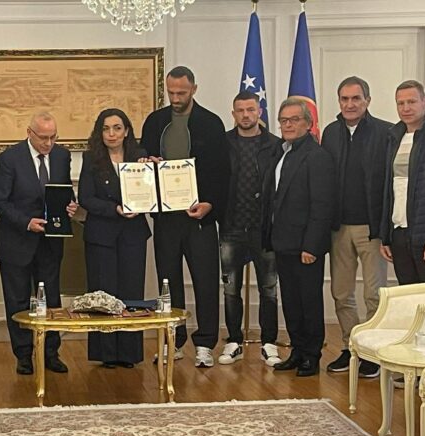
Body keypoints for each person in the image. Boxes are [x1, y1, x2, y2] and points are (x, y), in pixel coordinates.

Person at [139, 65, 230, 367]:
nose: (176, 98)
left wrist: (210, 204)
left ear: (194, 89)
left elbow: (222, 172)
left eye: (182, 92)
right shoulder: (155, 122)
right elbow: (142, 161)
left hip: (200, 217)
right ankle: (172, 340)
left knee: (206, 281)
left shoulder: (211, 124)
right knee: (168, 281)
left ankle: (204, 344)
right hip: (166, 217)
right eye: (171, 92)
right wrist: (147, 162)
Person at [0, 111, 76, 375]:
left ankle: (51, 352)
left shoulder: (61, 156)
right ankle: (24, 355)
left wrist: (70, 205)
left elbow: (63, 191)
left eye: (53, 137)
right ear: (29, 133)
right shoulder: (9, 159)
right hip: (16, 240)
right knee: (17, 300)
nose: (48, 143)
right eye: (43, 138)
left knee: (51, 299)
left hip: (50, 242)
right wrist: (27, 222)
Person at [320, 77, 391, 378]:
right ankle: (351, 348)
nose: (349, 104)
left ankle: (372, 353)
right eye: (344, 99)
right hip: (338, 228)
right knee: (341, 293)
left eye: (356, 98)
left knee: (374, 294)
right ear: (339, 101)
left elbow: (390, 184)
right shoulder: (330, 133)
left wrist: (385, 228)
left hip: (371, 228)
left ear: (367, 101)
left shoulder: (386, 132)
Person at [262, 98, 335, 377]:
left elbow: (322, 205)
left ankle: (311, 356)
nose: (288, 125)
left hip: (305, 245)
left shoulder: (317, 156)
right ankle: (297, 350)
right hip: (282, 242)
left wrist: (312, 246)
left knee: (309, 302)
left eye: (294, 120)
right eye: (284, 120)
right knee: (291, 302)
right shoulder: (282, 153)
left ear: (308, 123)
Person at [78, 108, 151, 368]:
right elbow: (85, 198)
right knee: (104, 294)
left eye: (117, 128)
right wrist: (115, 209)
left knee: (131, 293)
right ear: (100, 133)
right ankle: (107, 353)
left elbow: (151, 192)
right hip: (102, 235)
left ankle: (128, 353)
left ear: (126, 131)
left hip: (133, 234)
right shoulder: (91, 159)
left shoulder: (140, 157)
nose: (112, 134)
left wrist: (152, 173)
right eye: (106, 128)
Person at [217, 91, 281, 367]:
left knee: (269, 288)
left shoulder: (275, 145)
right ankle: (234, 341)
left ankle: (269, 342)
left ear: (259, 112)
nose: (245, 115)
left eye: (250, 109)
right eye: (240, 110)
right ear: (233, 114)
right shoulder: (222, 144)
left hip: (264, 229)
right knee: (231, 289)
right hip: (231, 227)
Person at [379, 80, 425, 284]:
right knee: (408, 298)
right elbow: (390, 190)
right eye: (400, 103)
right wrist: (386, 236)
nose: (406, 108)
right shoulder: (394, 139)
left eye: (411, 102)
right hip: (399, 236)